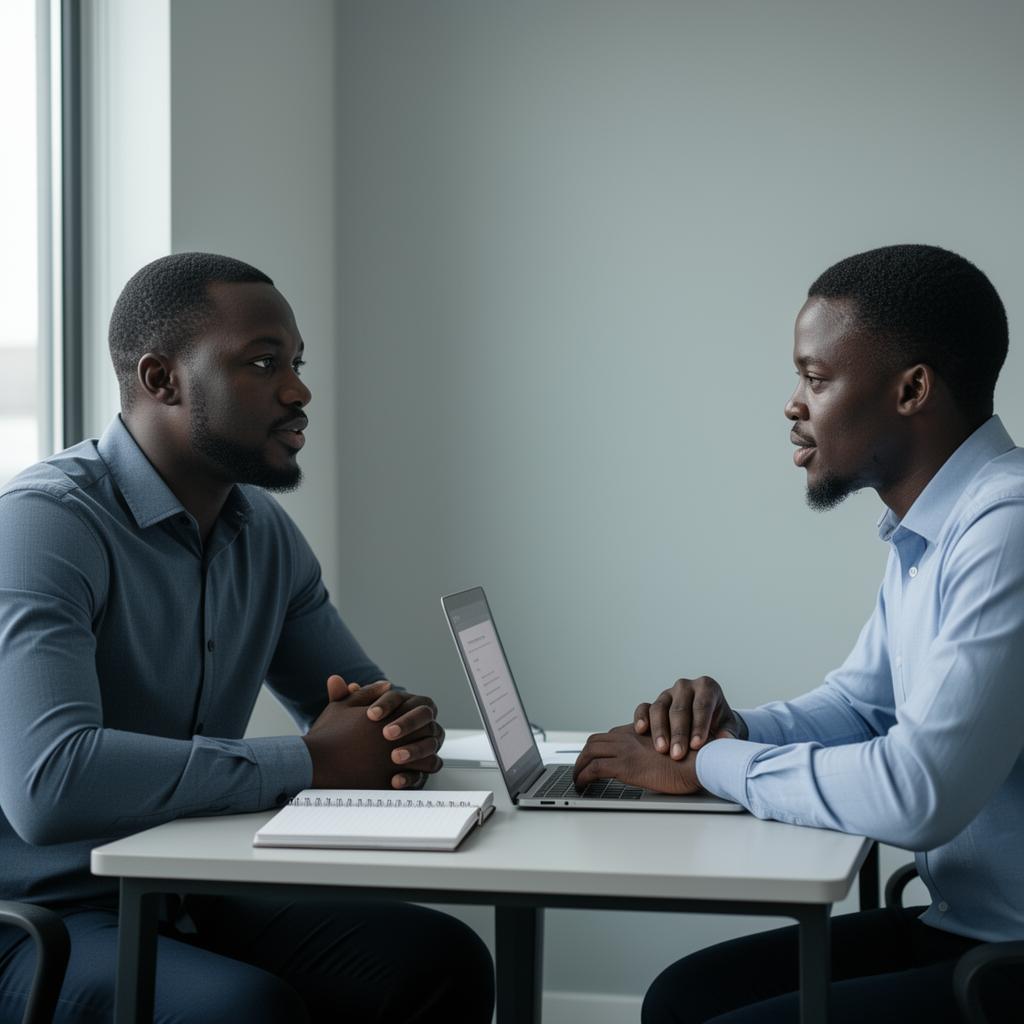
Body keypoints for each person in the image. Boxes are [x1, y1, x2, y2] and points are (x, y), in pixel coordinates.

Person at [0, 253, 494, 1023]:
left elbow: (362, 714)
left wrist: (397, 728)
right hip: (41, 916)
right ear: (161, 379)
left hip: (185, 887)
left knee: (437, 959)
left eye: (295, 364)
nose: (298, 391)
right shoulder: (44, 525)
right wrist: (311, 759)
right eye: (263, 364)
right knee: (242, 1010)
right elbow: (50, 785)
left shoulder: (263, 532)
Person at [573, 244, 1024, 1022]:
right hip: (961, 930)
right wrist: (729, 729)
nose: (793, 405)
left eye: (816, 380)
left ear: (912, 389)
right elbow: (859, 707)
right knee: (681, 999)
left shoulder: (1006, 527)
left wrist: (712, 764)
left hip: (1006, 962)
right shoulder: (935, 530)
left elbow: (919, 795)